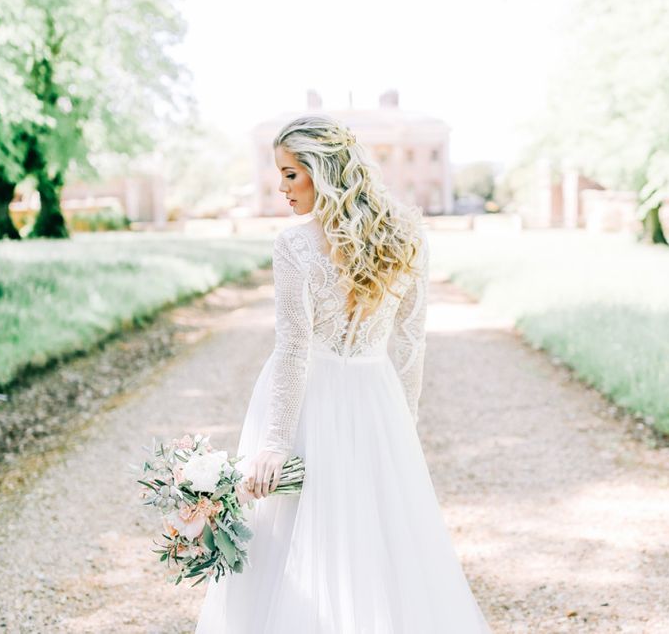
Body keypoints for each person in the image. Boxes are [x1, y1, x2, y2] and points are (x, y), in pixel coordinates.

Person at [194, 115, 491, 633]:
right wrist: (403, 420)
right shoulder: (407, 234)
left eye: (291, 174)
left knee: (301, 536)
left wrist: (275, 443)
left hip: (312, 401)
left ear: (320, 171)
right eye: (280, 175)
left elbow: (294, 350)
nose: (282, 188)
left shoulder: (296, 246)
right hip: (377, 398)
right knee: (374, 536)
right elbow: (409, 342)